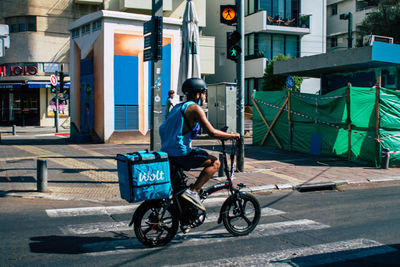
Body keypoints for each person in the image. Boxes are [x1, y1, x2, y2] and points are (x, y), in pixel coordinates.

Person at [159, 78, 240, 211]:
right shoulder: (195, 109)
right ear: (197, 94)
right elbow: (212, 133)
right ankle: (193, 191)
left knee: (201, 153)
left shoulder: (177, 107)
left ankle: (185, 206)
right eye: (204, 93)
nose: (204, 96)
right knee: (215, 163)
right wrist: (233, 136)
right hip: (180, 154)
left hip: (168, 153)